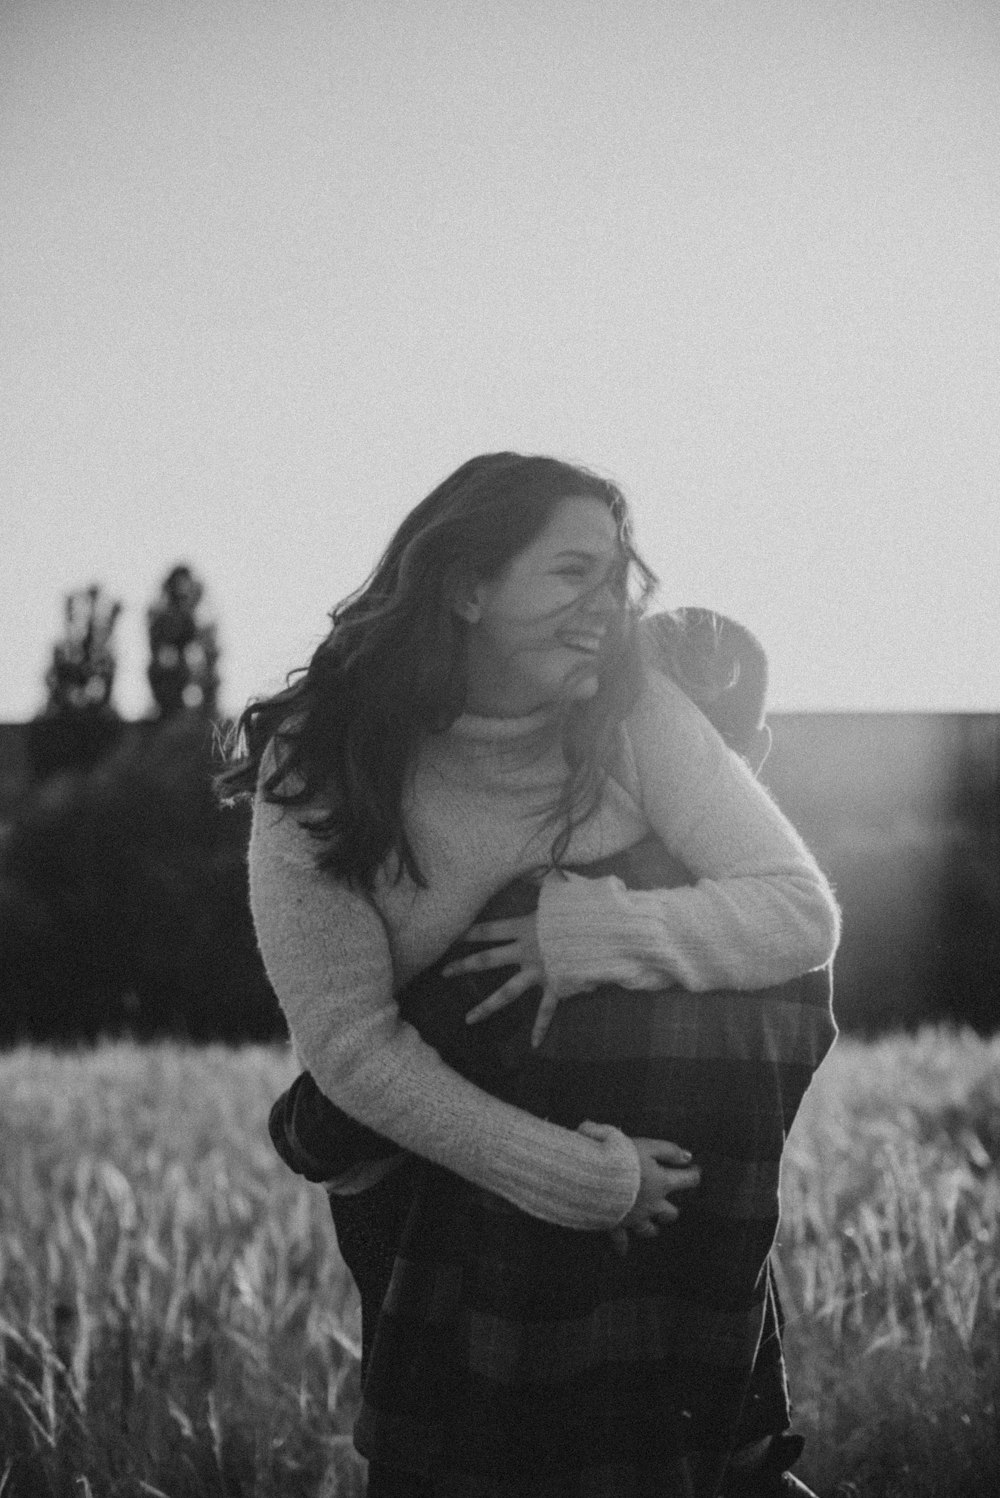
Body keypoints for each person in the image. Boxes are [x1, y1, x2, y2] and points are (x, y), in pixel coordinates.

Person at [218, 453, 840, 1497]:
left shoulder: (632, 714)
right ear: (467, 585)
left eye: (617, 579)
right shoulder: (318, 761)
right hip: (446, 1164)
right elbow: (351, 1048)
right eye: (571, 574)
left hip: (680, 1147)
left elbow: (797, 910)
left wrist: (590, 934)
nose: (606, 609)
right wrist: (580, 1179)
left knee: (703, 1462)